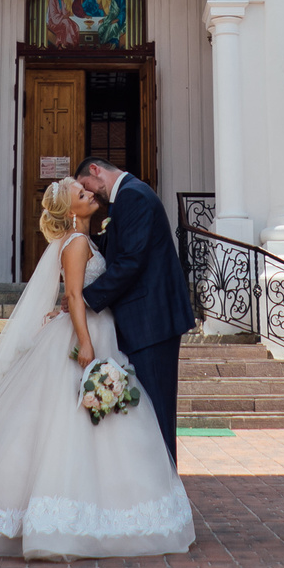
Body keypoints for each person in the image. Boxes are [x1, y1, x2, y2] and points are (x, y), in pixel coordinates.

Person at [0, 175, 195, 559]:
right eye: (82, 194)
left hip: (97, 329)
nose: (90, 194)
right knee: (73, 418)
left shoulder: (85, 240)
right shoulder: (77, 242)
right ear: (71, 211)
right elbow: (74, 296)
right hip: (86, 335)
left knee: (93, 418)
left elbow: (75, 294)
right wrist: (85, 341)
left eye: (87, 190)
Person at [75, 157, 195, 461]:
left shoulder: (133, 196)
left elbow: (131, 261)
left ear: (95, 171)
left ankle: (165, 482)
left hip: (152, 322)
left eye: (86, 186)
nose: (90, 194)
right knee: (147, 412)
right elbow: (118, 249)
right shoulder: (127, 197)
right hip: (145, 320)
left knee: (156, 409)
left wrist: (85, 298)